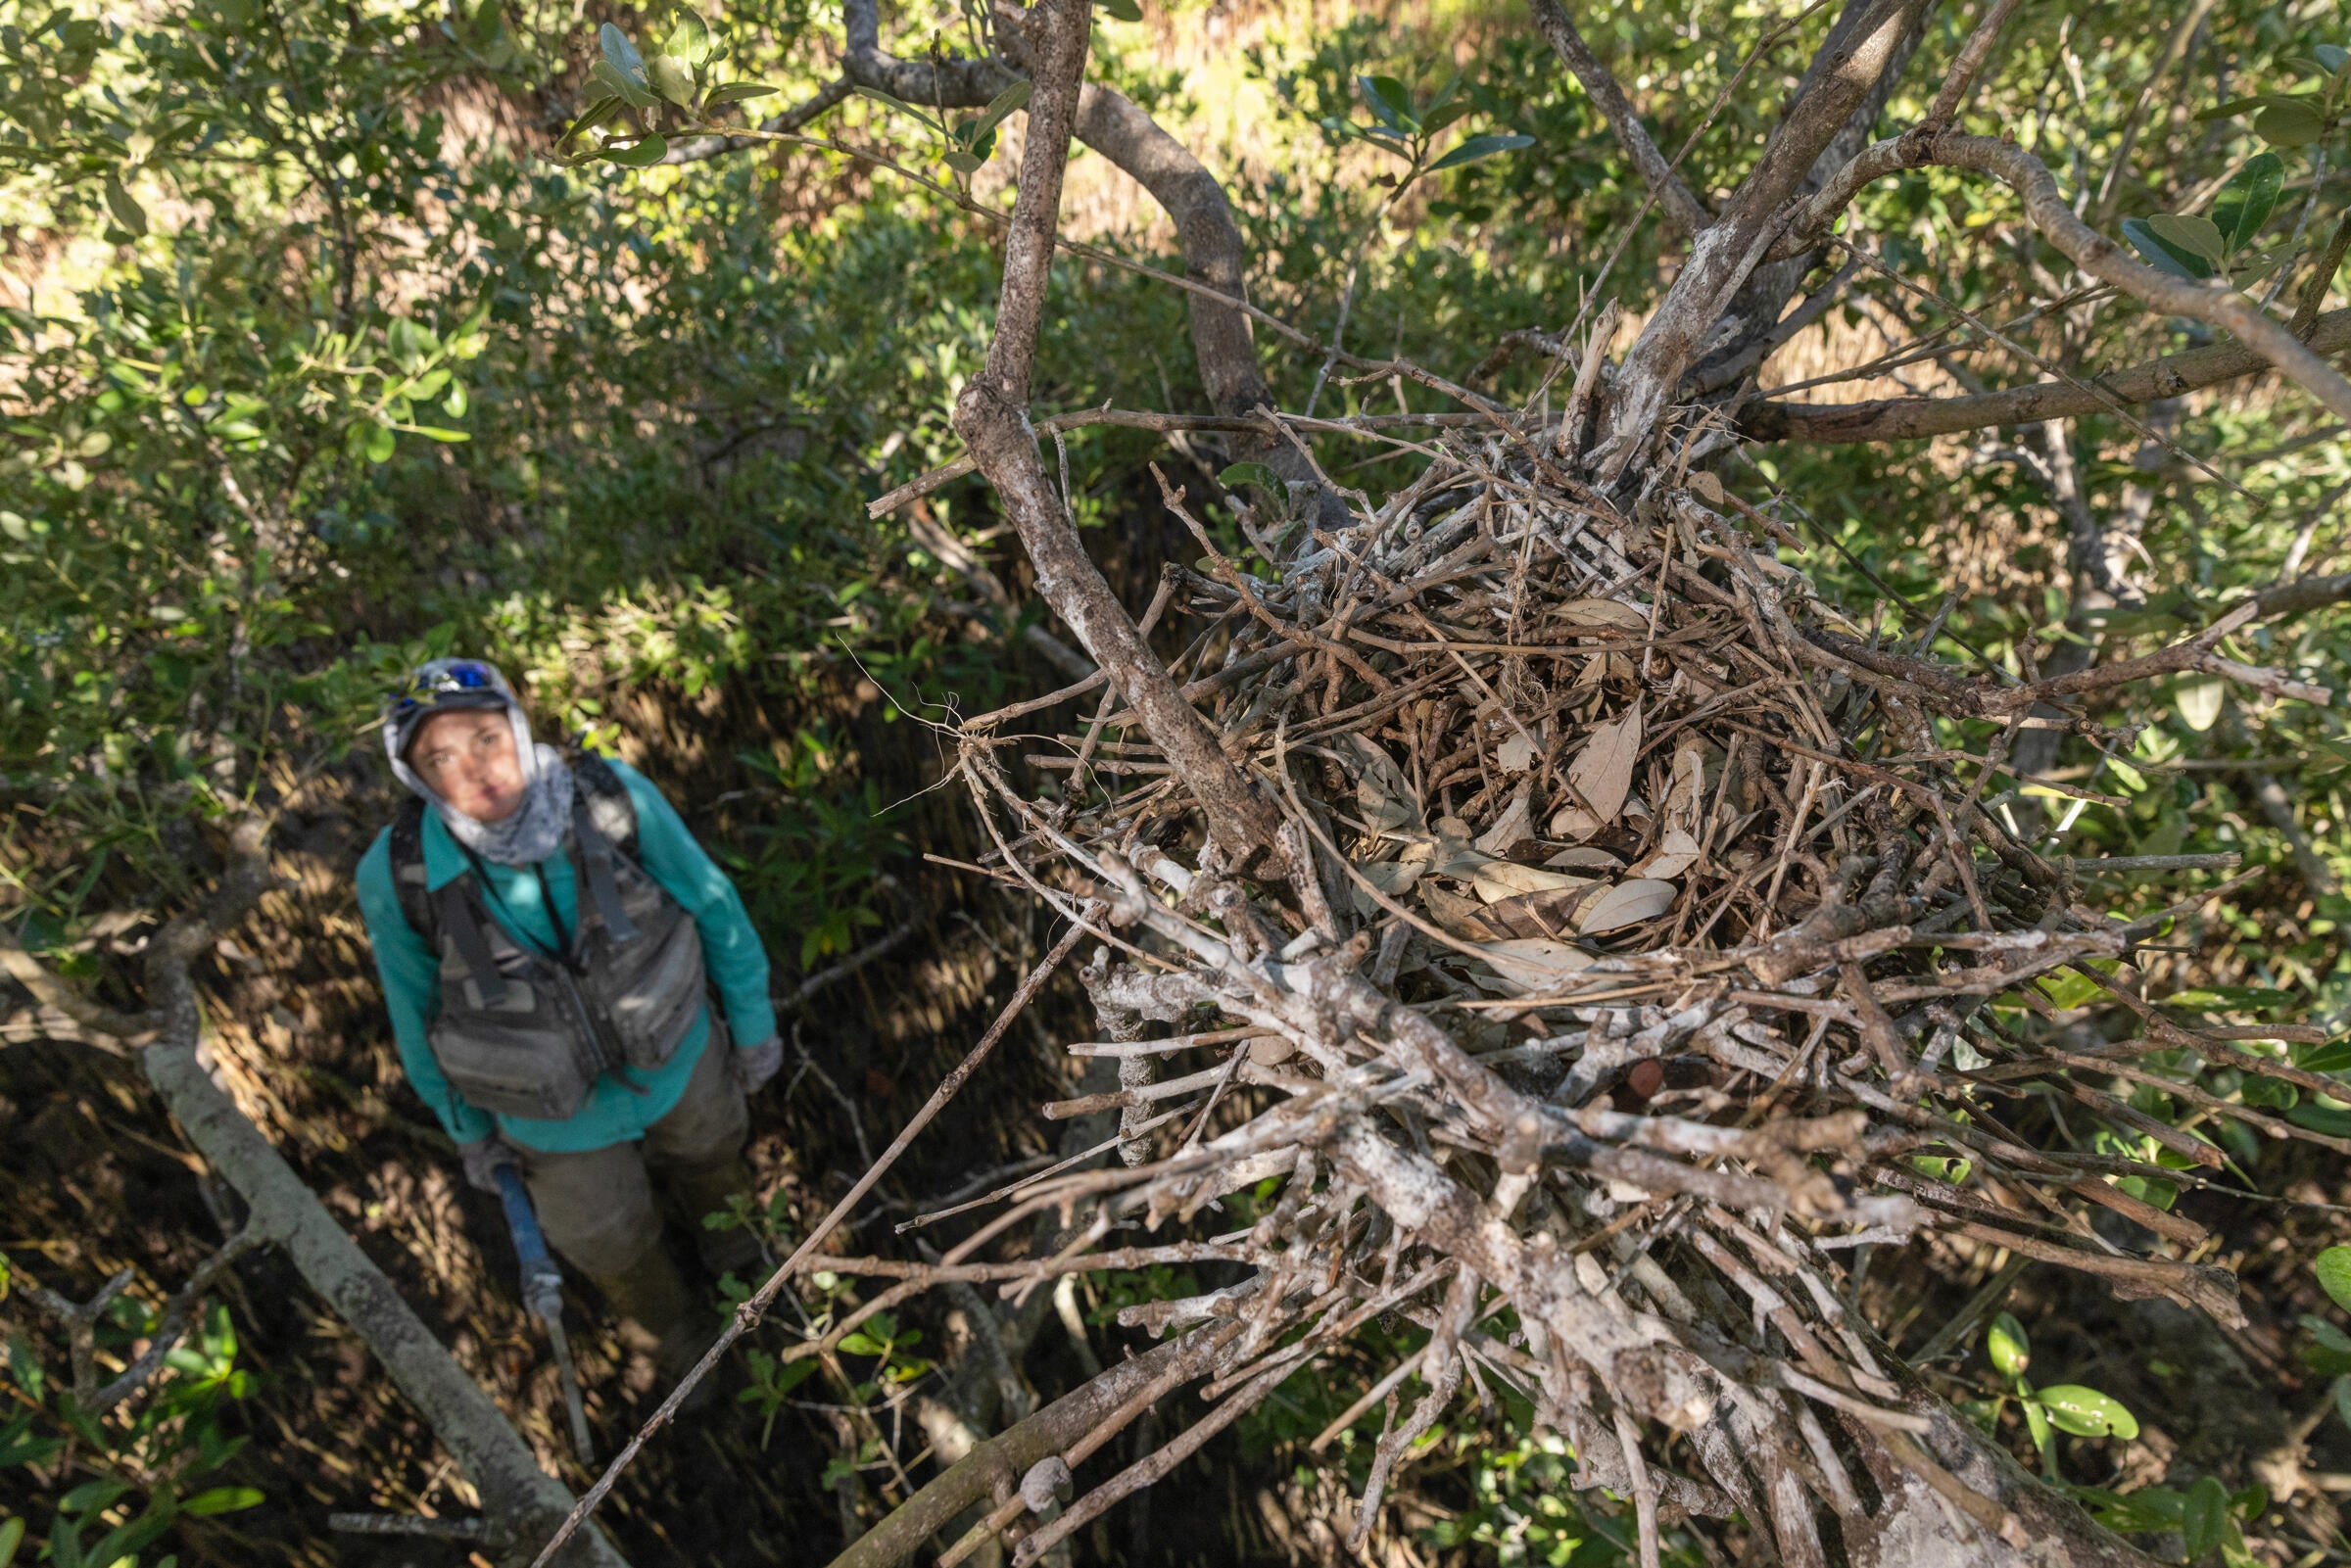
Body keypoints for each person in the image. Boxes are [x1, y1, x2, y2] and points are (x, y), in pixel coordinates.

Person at [356, 657, 780, 1388]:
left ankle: (751, 1272)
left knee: (715, 1155)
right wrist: (470, 1134)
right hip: (548, 1122)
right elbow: (414, 1012)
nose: (475, 769)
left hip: (678, 1056)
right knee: (611, 1242)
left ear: (518, 727)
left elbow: (715, 905)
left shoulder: (611, 795)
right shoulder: (397, 874)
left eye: (486, 737)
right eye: (439, 758)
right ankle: (681, 1345)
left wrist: (752, 1026)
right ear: (417, 779)